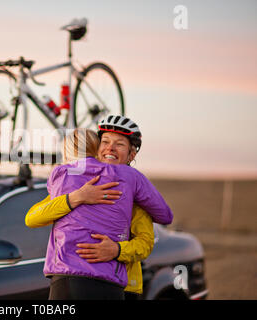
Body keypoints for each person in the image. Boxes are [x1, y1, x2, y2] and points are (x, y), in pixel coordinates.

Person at [27, 116, 173, 300]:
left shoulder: (136, 197)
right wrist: (77, 197)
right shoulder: (74, 187)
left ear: (131, 155)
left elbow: (145, 243)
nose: (110, 148)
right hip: (79, 279)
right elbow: (33, 217)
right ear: (96, 148)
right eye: (105, 142)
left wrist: (117, 250)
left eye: (119, 144)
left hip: (123, 287)